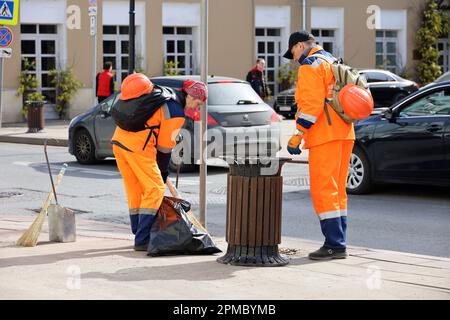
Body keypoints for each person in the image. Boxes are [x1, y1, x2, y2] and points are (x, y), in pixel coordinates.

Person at [111, 73, 207, 251]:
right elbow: (164, 149)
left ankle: (137, 230)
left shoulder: (165, 95)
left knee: (136, 189)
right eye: (198, 103)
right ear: (191, 96)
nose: (197, 108)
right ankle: (142, 239)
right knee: (155, 189)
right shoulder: (176, 111)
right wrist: (162, 174)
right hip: (138, 147)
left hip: (118, 142)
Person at [284, 31, 355, 260]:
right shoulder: (332, 60)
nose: (294, 58)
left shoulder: (310, 65)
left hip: (325, 135)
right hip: (345, 132)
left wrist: (298, 134)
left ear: (301, 45)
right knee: (337, 191)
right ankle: (339, 243)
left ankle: (334, 245)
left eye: (293, 51)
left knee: (323, 189)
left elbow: (311, 105)